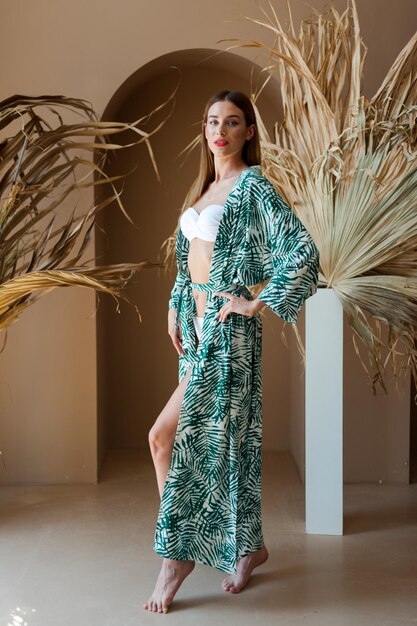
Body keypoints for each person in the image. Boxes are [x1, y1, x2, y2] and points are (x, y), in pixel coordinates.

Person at [144, 90, 320, 614]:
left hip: (229, 338)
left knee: (163, 437)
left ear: (248, 132)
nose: (220, 130)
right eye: (213, 121)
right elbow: (186, 264)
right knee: (229, 450)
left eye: (233, 122)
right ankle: (251, 549)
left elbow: (302, 252)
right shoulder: (204, 191)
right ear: (205, 129)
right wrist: (175, 305)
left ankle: (177, 554)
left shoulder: (253, 186)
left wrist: (256, 303)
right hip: (197, 335)